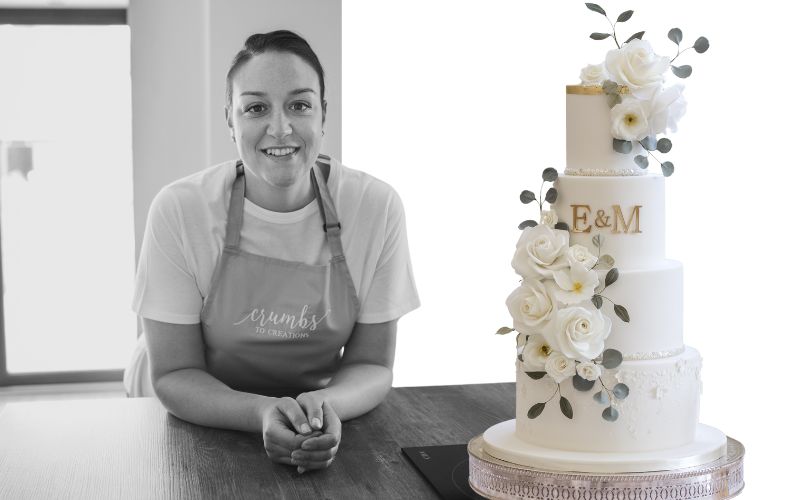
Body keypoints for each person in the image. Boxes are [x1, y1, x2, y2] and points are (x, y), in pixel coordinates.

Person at [124, 30, 420, 474]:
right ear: (230, 120)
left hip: (308, 415)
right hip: (190, 417)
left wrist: (322, 409)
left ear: (324, 115)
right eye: (256, 108)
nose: (279, 128)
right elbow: (174, 373)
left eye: (299, 104)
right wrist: (262, 412)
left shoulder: (375, 208)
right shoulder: (181, 209)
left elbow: (372, 364)